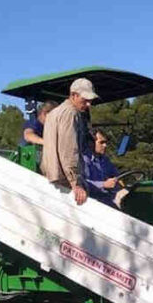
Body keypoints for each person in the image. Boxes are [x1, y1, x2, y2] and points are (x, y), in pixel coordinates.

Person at [41, 77, 98, 206]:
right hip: (64, 180)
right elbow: (69, 150)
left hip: (53, 176)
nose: (88, 104)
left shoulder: (55, 112)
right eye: (85, 100)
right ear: (73, 95)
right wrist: (76, 183)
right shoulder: (71, 114)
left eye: (90, 101)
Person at [83, 128, 130, 208]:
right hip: (93, 200)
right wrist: (104, 184)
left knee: (131, 197)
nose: (105, 145)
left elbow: (116, 174)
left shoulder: (104, 159)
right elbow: (83, 182)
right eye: (101, 143)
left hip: (108, 195)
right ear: (91, 143)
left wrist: (120, 183)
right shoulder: (84, 160)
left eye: (106, 142)